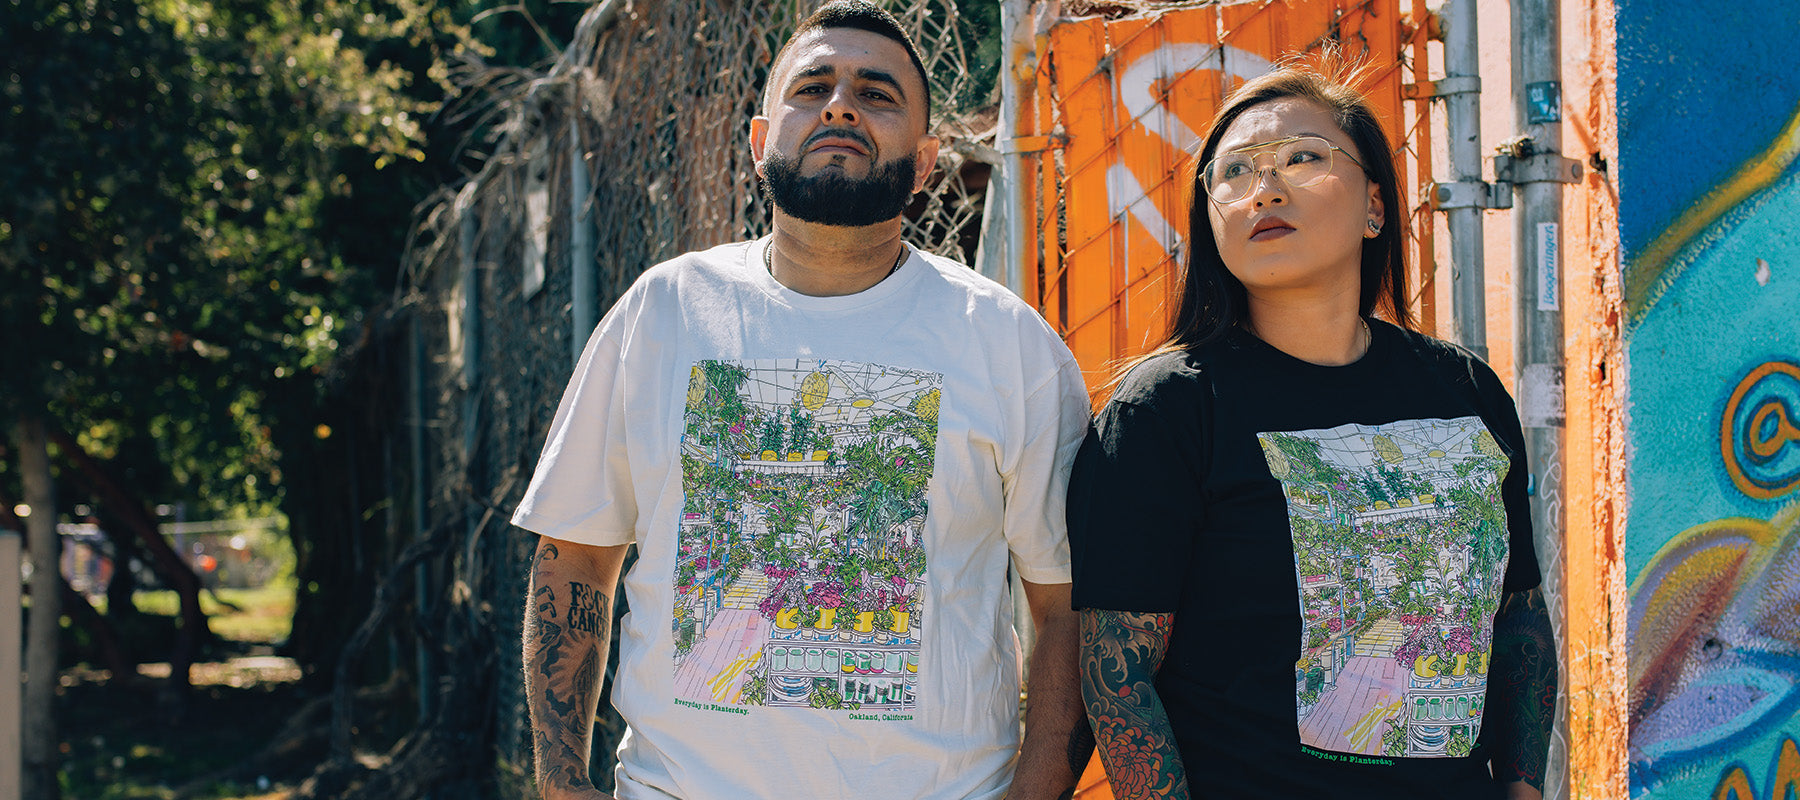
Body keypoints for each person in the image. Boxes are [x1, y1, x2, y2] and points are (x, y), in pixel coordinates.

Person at [512, 3, 1092, 798]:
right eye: (812, 88)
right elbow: (576, 554)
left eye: (876, 95)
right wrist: (560, 783)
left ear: (926, 162)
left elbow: (1068, 607)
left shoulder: (1008, 344)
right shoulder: (664, 312)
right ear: (760, 143)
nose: (841, 107)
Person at [1067, 61, 1558, 799]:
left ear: (1375, 207)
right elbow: (1118, 678)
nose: (1265, 189)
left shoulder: (1464, 391)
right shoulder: (1166, 410)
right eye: (1234, 172)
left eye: (1302, 157)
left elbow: (1519, 618)